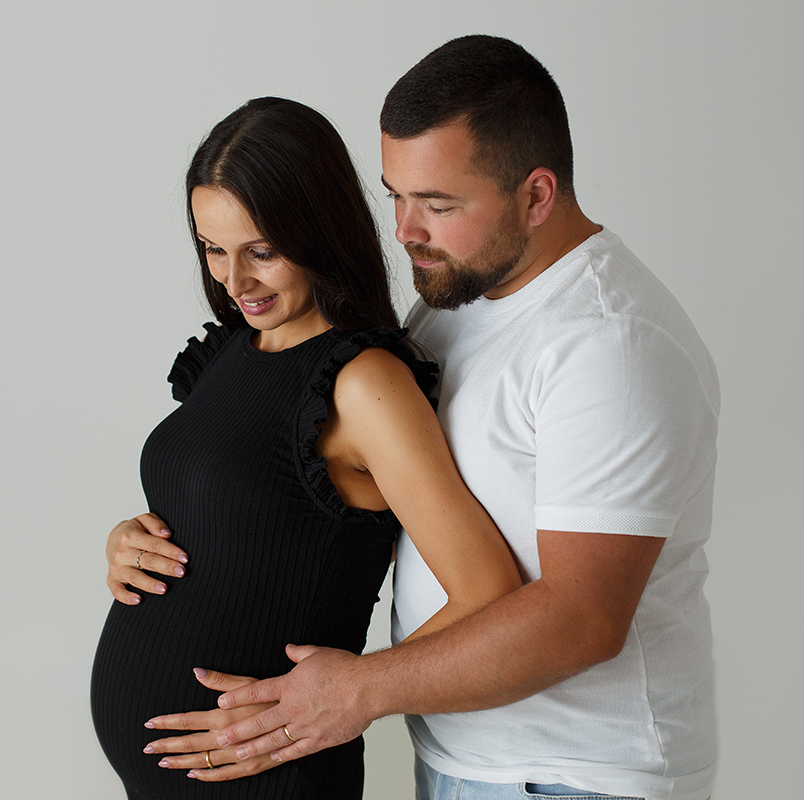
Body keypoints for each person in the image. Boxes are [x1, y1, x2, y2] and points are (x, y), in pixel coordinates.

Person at [127, 37, 719, 800]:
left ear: (537, 196)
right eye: (396, 196)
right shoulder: (458, 297)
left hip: (576, 773)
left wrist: (359, 691)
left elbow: (582, 619)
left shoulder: (612, 345)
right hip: (465, 752)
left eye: (437, 205)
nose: (406, 230)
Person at [91, 96, 521, 800]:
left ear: (319, 231)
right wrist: (127, 541)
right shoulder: (238, 345)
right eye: (213, 249)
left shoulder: (363, 383)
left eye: (263, 252)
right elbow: (236, 516)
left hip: (268, 779)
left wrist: (352, 694)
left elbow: (488, 588)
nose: (235, 282)